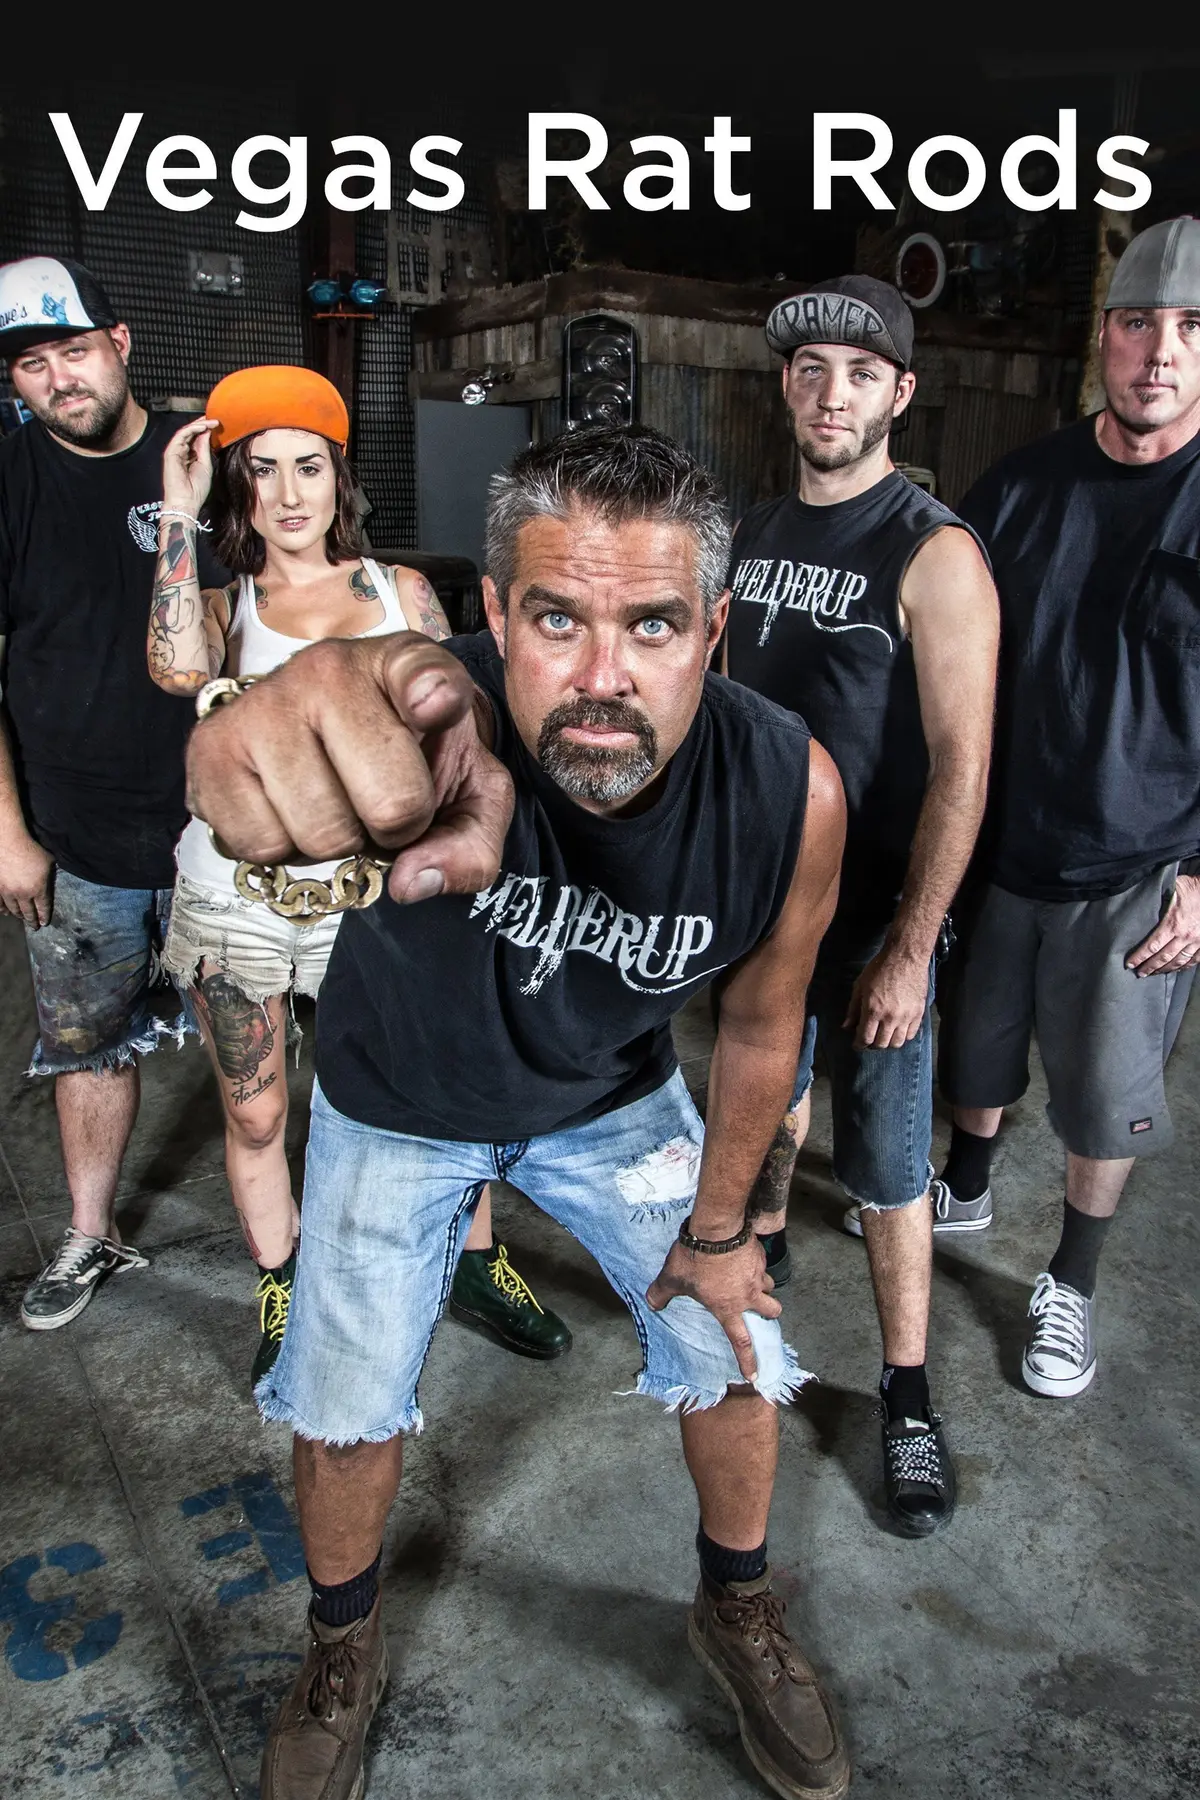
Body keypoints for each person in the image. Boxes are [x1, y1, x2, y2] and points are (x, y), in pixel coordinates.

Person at [188, 424, 850, 1800]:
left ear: (714, 628)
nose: (602, 676)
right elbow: (353, 692)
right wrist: (273, 717)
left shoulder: (788, 791)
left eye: (652, 624)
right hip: (396, 1100)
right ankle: (339, 1643)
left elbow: (760, 1025)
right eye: (556, 619)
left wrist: (723, 1230)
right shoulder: (437, 719)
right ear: (493, 615)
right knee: (342, 1399)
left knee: (738, 1345)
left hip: (610, 1097)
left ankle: (736, 1602)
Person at [147, 364, 570, 1384]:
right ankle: (284, 1280)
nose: (288, 493)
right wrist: (178, 512)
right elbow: (174, 668)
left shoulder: (399, 594)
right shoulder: (224, 604)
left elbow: (457, 736)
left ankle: (474, 1263)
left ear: (340, 477)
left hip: (375, 900)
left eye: (308, 467)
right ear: (236, 485)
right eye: (261, 470)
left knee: (433, 1091)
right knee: (256, 1110)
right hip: (238, 900)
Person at [724, 275, 999, 1536]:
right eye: (810, 371)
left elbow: (962, 767)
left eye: (860, 373)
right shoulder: (759, 530)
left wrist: (911, 947)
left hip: (880, 918)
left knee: (887, 1167)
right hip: (767, 912)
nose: (831, 394)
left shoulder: (933, 551)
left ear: (901, 393)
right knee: (760, 1110)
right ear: (788, 389)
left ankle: (907, 1393)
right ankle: (757, 1273)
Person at [935, 216, 1200, 1398]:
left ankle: (1071, 1285)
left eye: (1192, 328)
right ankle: (967, 1187)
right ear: (1106, 335)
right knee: (978, 1048)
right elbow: (944, 641)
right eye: (1140, 322)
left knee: (1103, 1097)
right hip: (1003, 843)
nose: (1162, 351)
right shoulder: (1022, 486)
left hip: (1141, 866)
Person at [0, 255, 224, 1331]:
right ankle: (91, 1234)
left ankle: (282, 1244)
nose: (60, 380)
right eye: (31, 365)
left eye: (75, 351)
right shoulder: (9, 479)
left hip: (217, 828)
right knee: (85, 1045)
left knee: (249, 1045)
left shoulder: (200, 457)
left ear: (120, 342)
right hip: (73, 828)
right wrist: (7, 834)